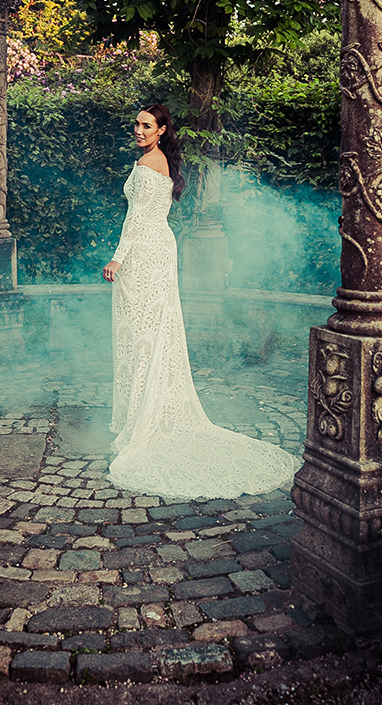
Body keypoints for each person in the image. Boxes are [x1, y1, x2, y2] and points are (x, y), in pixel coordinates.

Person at [102, 103, 299, 499]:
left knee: (143, 334)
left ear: (161, 130)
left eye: (146, 126)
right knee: (152, 332)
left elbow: (136, 219)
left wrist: (117, 257)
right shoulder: (159, 162)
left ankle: (143, 419)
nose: (138, 131)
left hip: (143, 252)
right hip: (159, 248)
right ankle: (144, 411)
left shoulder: (146, 166)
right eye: (136, 125)